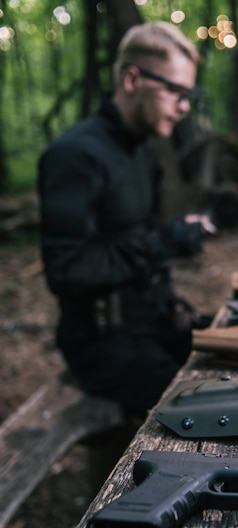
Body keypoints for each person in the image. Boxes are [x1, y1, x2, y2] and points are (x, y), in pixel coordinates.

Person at [38, 22, 212, 418]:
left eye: (189, 95)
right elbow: (66, 270)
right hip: (102, 344)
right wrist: (160, 244)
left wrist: (172, 304)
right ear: (133, 79)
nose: (184, 107)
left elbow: (142, 239)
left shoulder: (143, 153)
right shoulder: (74, 156)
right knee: (203, 409)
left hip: (152, 322)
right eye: (176, 92)